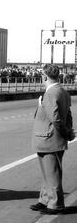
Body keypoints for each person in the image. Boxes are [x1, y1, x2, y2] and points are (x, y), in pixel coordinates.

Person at [30, 65, 74, 215]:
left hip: (49, 137)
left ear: (44, 77)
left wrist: (66, 132)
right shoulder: (63, 91)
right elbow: (68, 115)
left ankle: (55, 204)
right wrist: (69, 132)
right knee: (49, 172)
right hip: (54, 138)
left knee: (52, 172)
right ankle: (45, 199)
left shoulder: (50, 93)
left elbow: (55, 118)